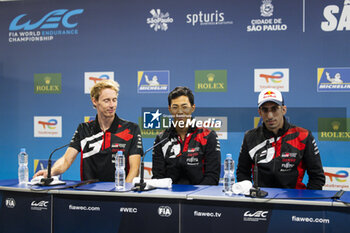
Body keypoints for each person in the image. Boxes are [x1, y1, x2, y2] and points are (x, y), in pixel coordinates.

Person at [34, 80, 143, 182]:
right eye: (106, 100)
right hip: (89, 194)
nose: (112, 105)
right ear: (94, 101)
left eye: (114, 100)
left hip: (119, 193)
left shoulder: (131, 129)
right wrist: (51, 172)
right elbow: (66, 160)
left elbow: (135, 169)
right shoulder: (84, 129)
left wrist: (124, 193)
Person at [236, 88, 325, 190]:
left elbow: (317, 177)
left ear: (283, 110)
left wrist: (306, 202)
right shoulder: (250, 137)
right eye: (265, 110)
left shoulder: (303, 135)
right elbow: (242, 173)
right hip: (260, 200)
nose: (270, 116)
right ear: (260, 112)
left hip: (294, 200)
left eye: (274, 109)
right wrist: (250, 194)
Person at [152, 86, 221, 185]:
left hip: (200, 197)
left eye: (184, 107)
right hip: (168, 197)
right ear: (169, 109)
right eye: (175, 107)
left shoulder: (208, 136)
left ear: (193, 108)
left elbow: (212, 177)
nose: (180, 112)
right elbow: (158, 177)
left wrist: (194, 197)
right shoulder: (162, 138)